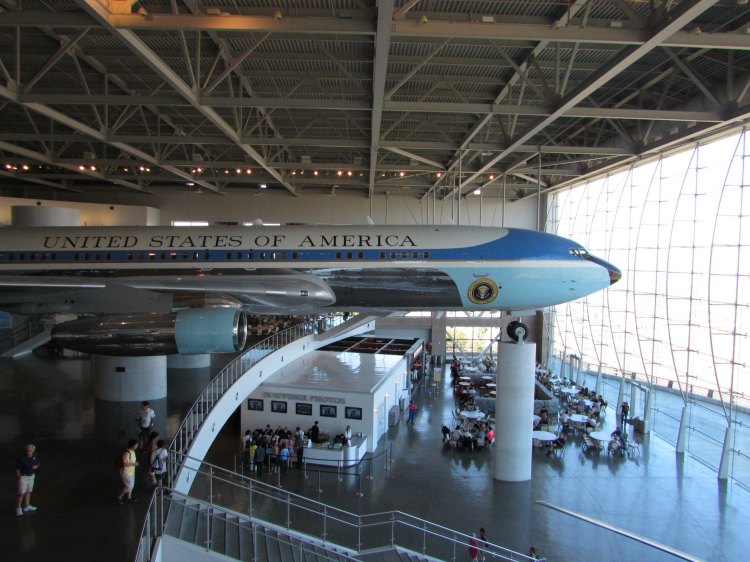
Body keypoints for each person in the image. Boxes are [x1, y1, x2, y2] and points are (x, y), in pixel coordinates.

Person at [16, 443, 40, 516]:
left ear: (33, 450)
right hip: (24, 477)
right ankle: (18, 508)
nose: (28, 451)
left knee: (28, 491)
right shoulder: (22, 459)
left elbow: (38, 463)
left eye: (30, 450)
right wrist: (20, 477)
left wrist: (36, 466)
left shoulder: (35, 456)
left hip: (31, 476)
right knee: (21, 493)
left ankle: (26, 505)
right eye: (27, 450)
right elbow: (17, 469)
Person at [117, 439, 139, 504]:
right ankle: (119, 497)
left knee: (131, 485)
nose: (137, 446)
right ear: (132, 445)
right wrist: (134, 464)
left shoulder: (132, 451)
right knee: (129, 486)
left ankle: (129, 498)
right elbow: (125, 463)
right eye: (136, 444)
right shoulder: (127, 453)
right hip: (126, 472)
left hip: (131, 471)